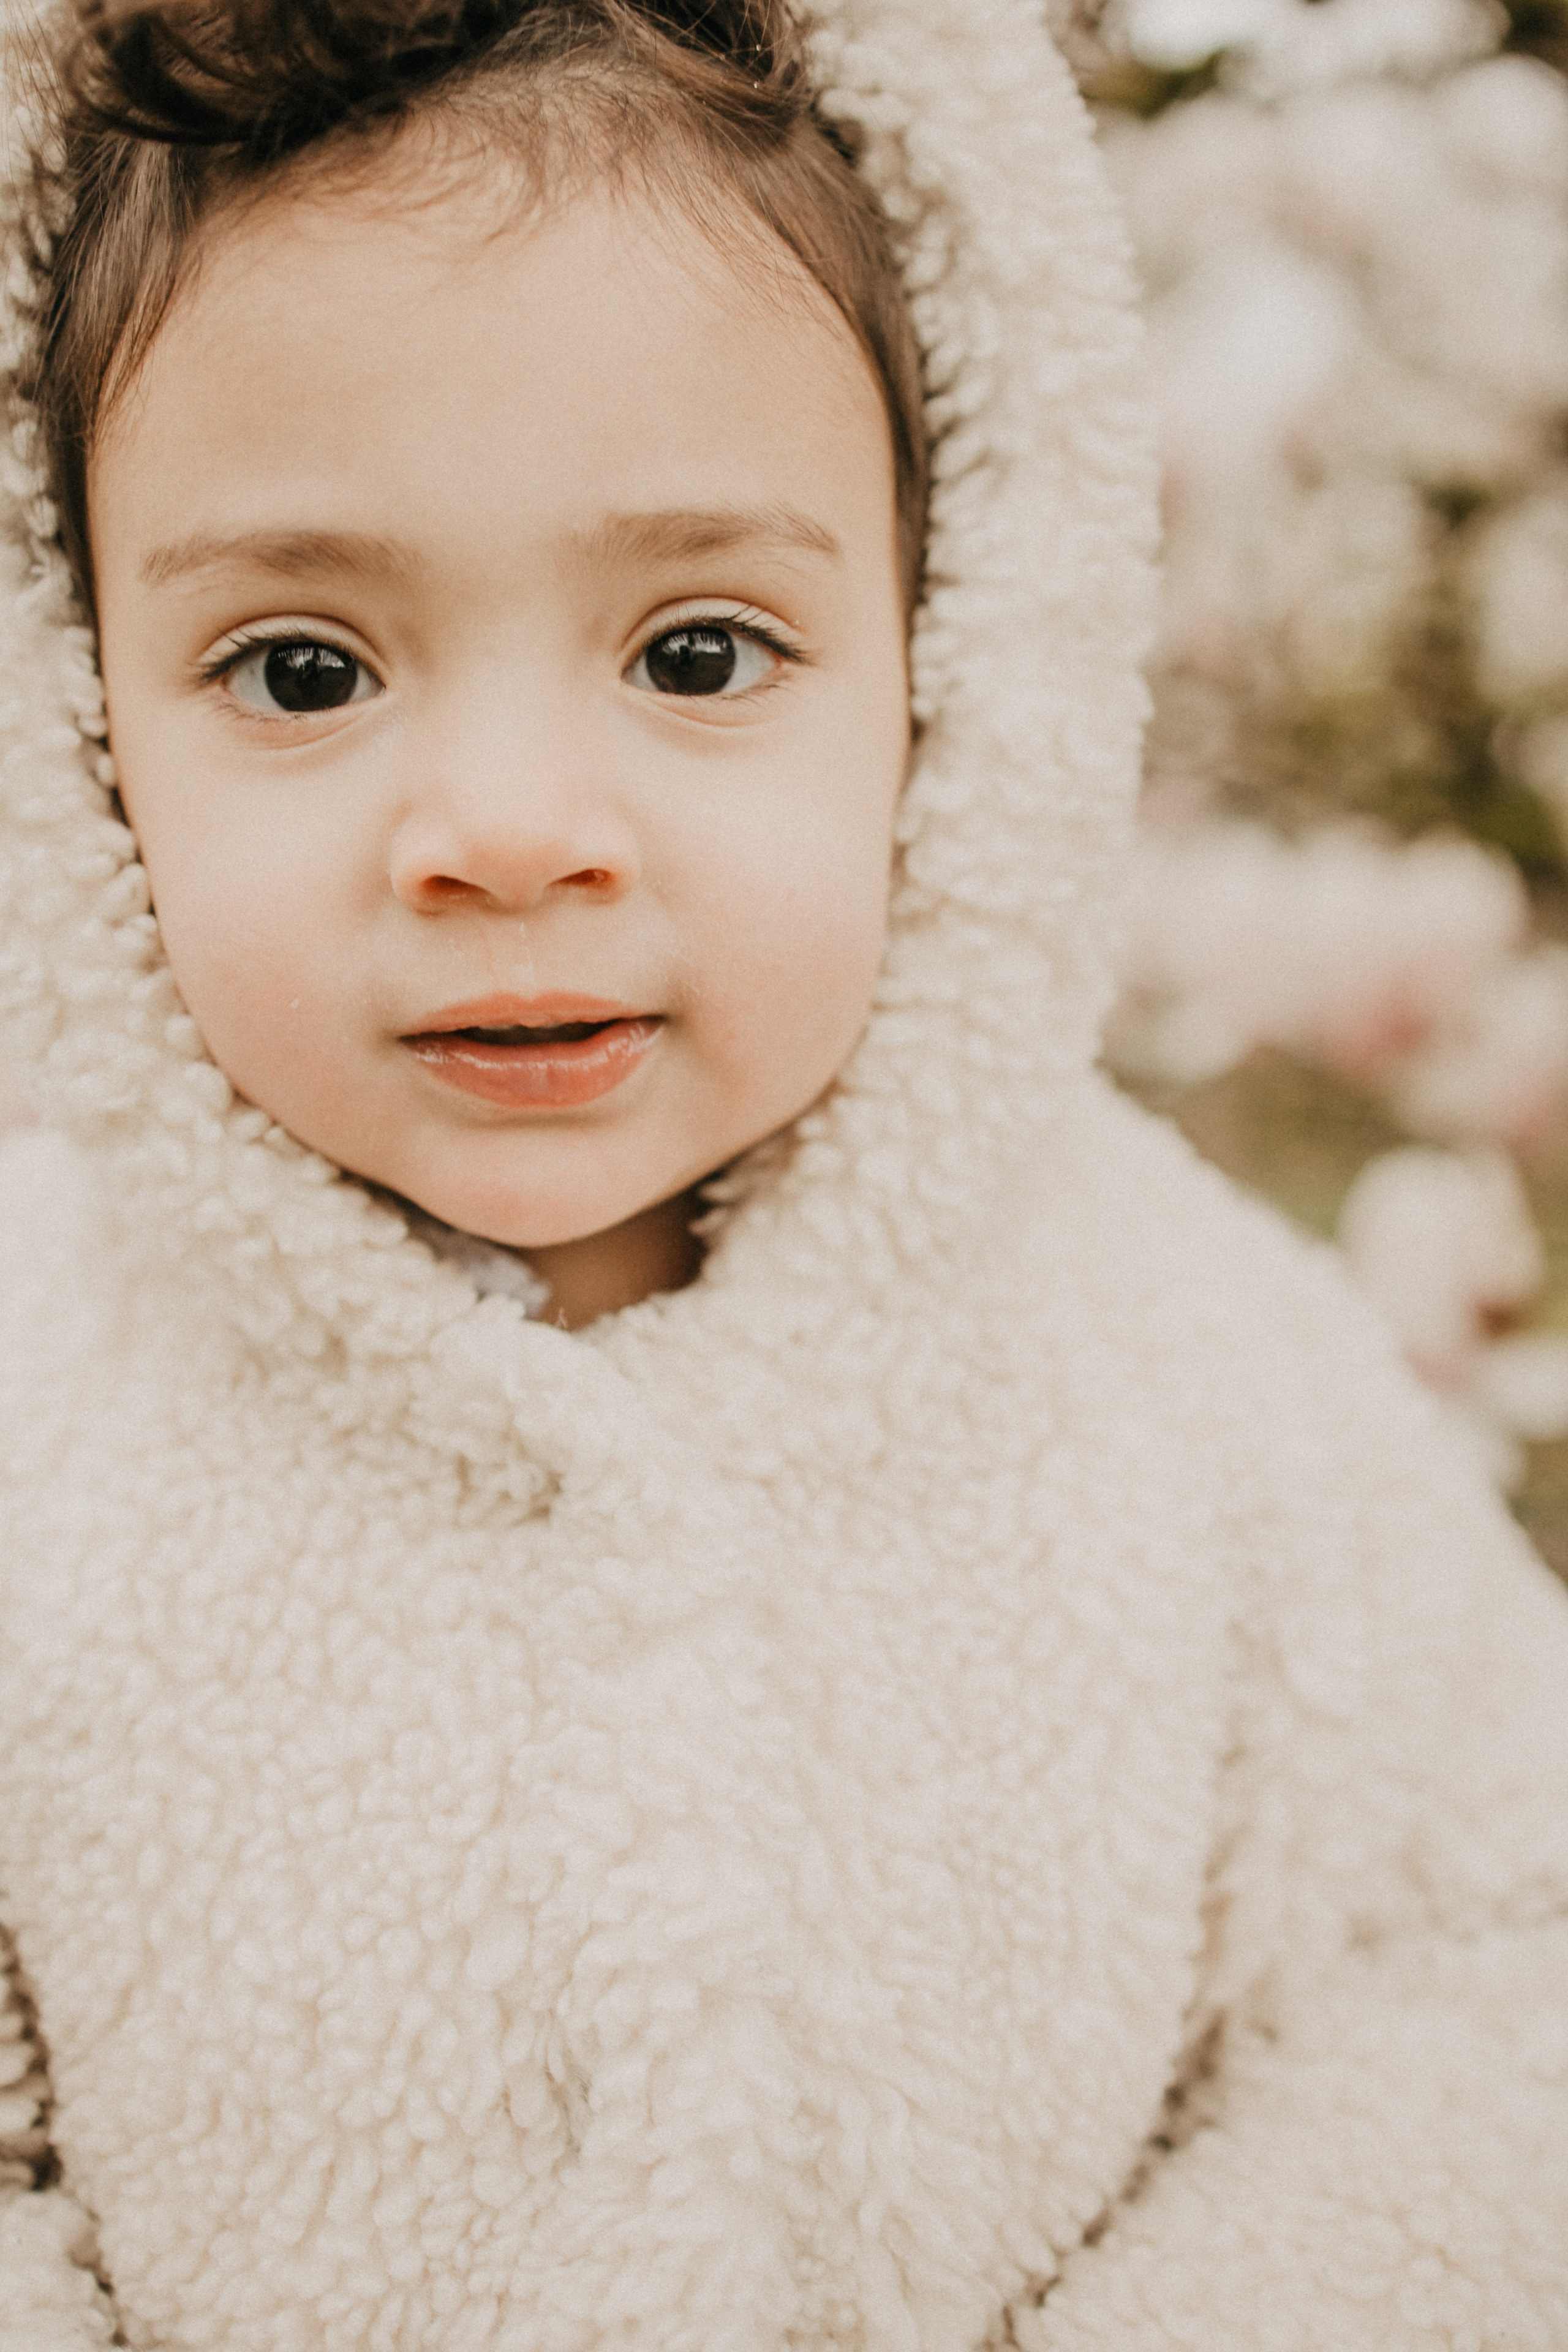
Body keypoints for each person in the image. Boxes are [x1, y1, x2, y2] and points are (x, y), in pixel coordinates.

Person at [0, 0, 1564, 2344]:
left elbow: (1498, 1972)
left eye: (700, 649)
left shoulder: (1186, 1364)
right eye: (306, 672)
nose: (512, 833)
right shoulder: (41, 1402)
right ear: (74, 701)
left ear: (955, 659)